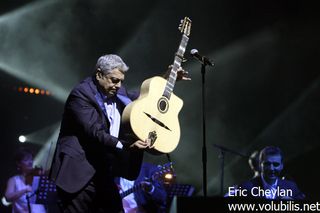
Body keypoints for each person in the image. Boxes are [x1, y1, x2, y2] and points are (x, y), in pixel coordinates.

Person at [49, 54, 190, 213]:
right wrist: (127, 145)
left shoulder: (118, 91)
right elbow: (95, 132)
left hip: (103, 173)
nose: (118, 85)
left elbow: (146, 99)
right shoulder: (81, 94)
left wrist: (168, 79)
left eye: (121, 80)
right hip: (78, 172)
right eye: (114, 80)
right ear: (99, 74)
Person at [229, 146, 305, 200]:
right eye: (267, 164)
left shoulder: (291, 186)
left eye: (275, 164)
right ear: (260, 165)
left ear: (282, 166)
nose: (271, 168)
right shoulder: (246, 188)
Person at [5, 147, 46, 213]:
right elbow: (8, 197)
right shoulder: (13, 180)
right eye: (26, 160)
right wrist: (24, 190)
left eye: (31, 159)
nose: (30, 162)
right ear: (19, 163)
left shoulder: (38, 176)